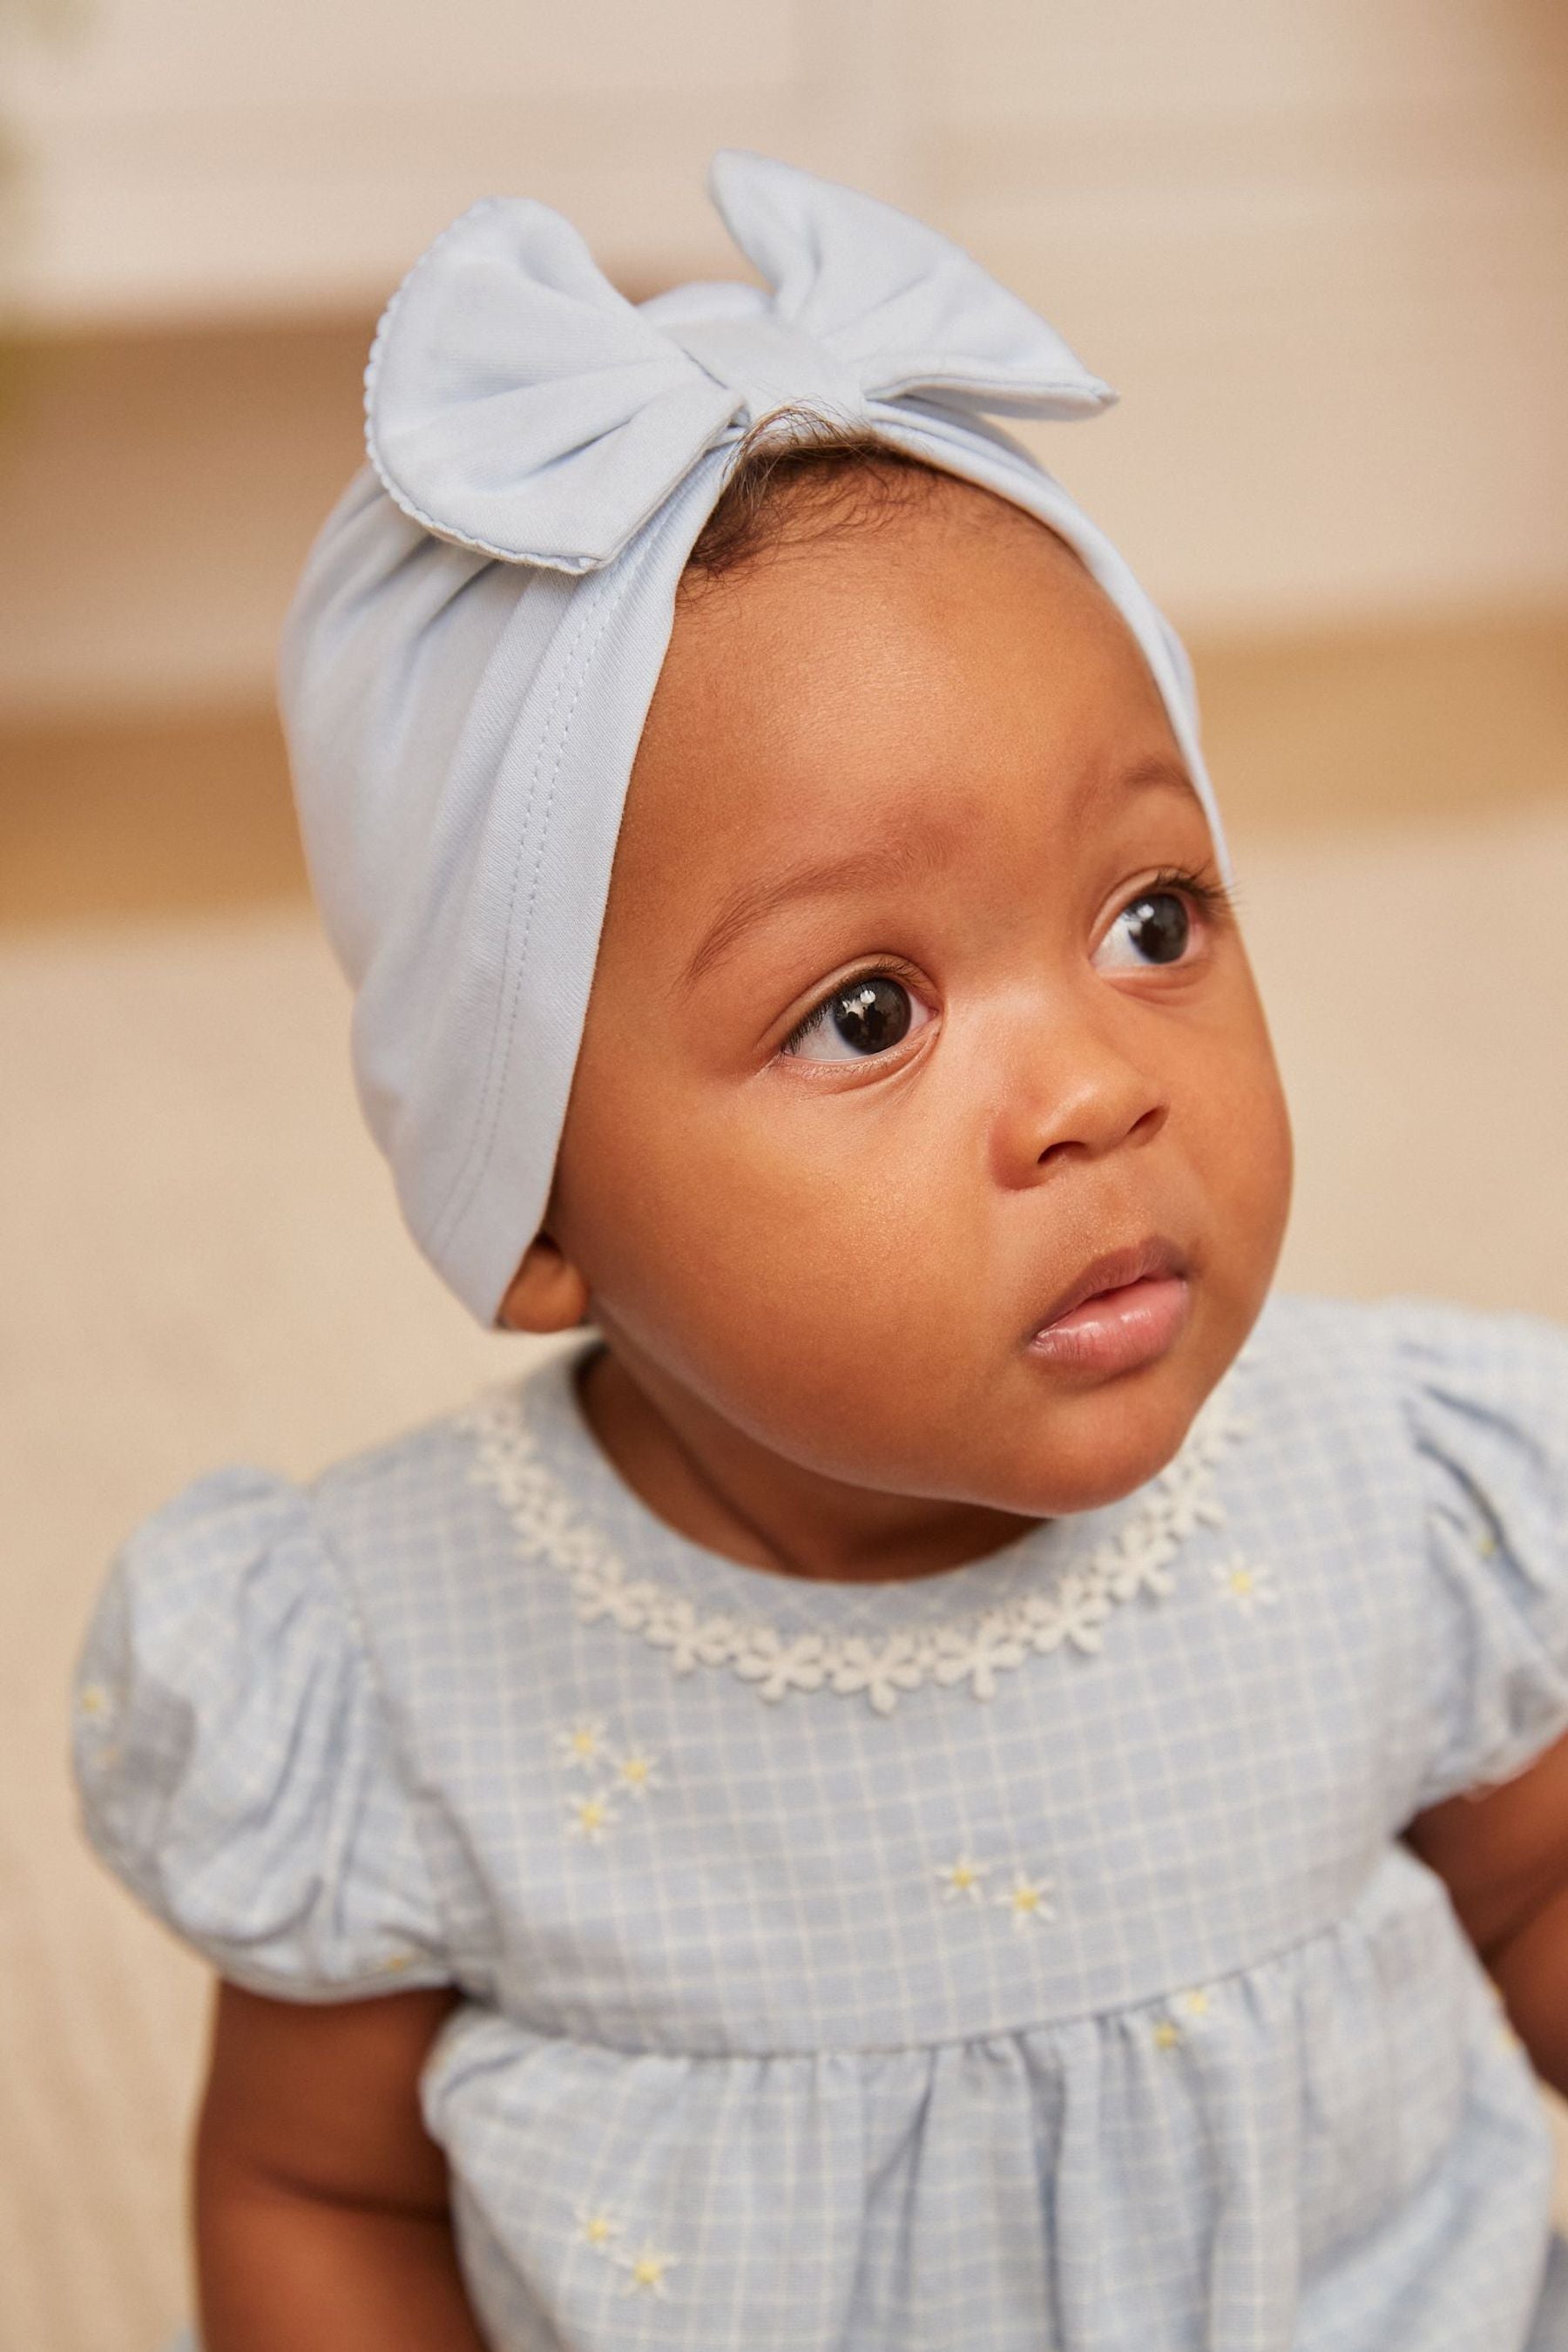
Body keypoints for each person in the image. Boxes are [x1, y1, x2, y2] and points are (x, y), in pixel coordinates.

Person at [71, 152, 1568, 2351]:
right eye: (865, 1013)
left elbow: (1538, 1899)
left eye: (1154, 920)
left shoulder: (1387, 1499)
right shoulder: (400, 1673)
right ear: (540, 1208)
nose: (1096, 1088)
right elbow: (322, 2198)